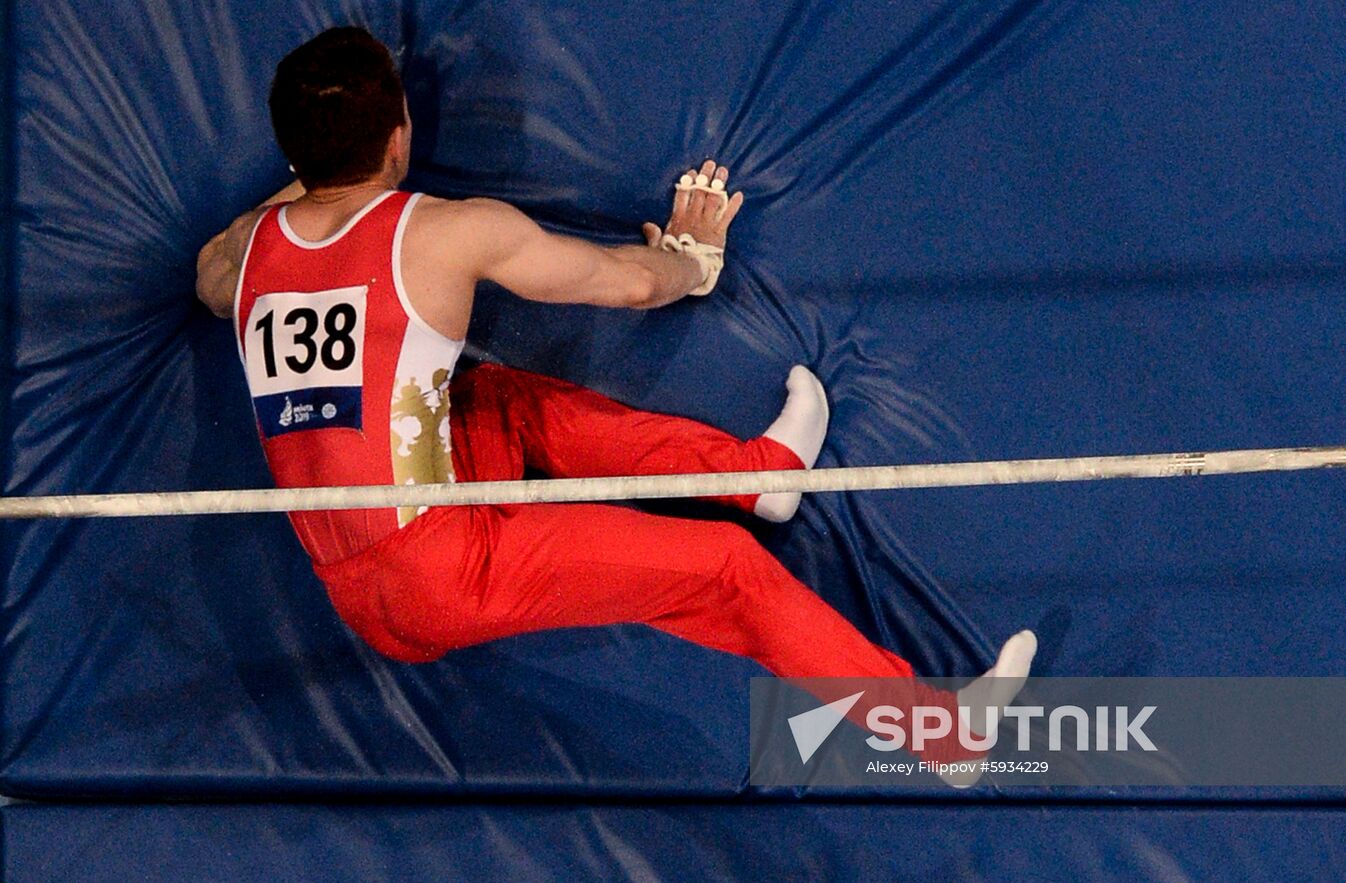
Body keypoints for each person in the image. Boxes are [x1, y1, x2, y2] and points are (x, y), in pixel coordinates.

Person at [196, 26, 1035, 779]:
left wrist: (312, 171)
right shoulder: (447, 232)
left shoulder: (238, 261)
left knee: (492, 399)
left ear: (294, 156)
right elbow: (632, 285)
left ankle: (759, 476)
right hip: (444, 566)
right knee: (727, 573)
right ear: (398, 136)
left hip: (355, 589)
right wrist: (692, 258)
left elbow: (215, 269)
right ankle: (943, 735)